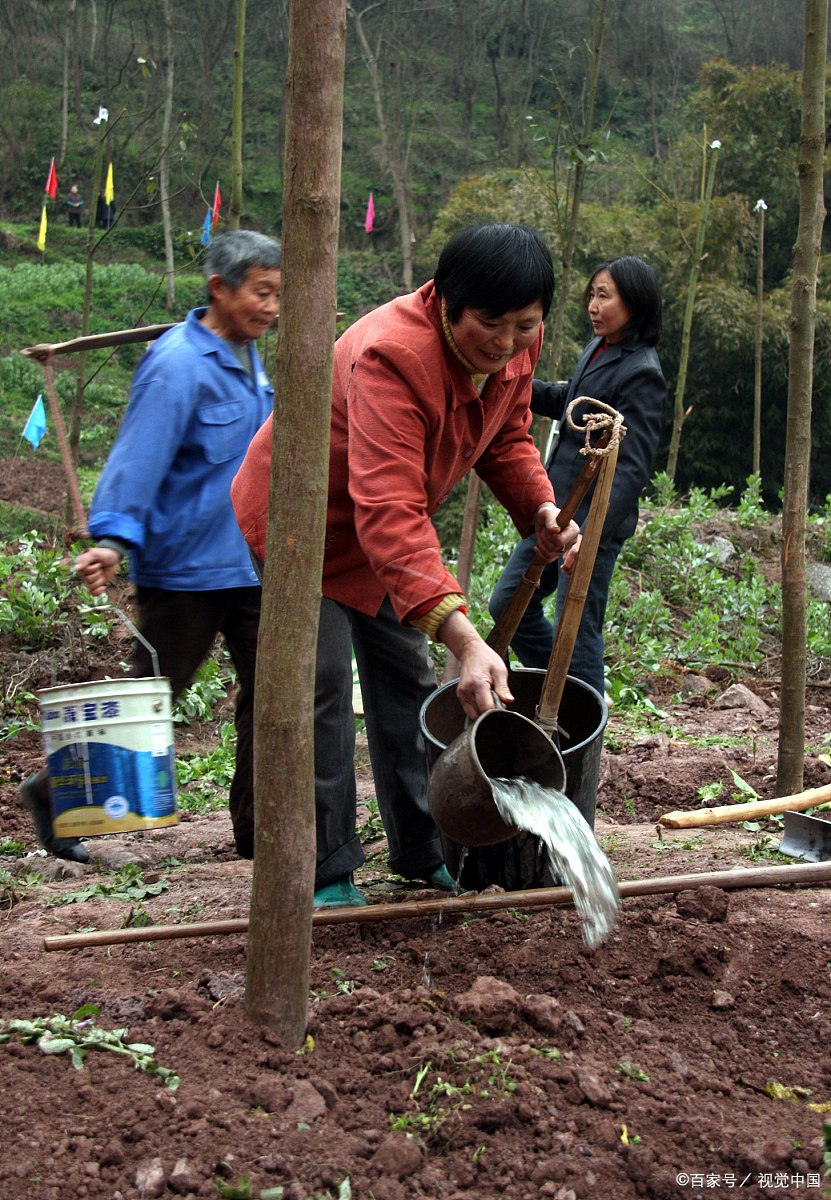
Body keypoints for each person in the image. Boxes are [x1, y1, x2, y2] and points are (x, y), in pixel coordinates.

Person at [231, 223, 580, 908]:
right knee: (321, 685)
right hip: (306, 524)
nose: (507, 342)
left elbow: (505, 436)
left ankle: (421, 850)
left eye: (525, 325)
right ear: (446, 302)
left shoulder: (515, 343)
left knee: (406, 681)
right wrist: (466, 636)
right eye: (491, 323)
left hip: (385, 539)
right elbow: (387, 507)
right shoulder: (390, 354)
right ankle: (324, 868)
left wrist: (538, 506)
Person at [21, 229, 282, 864]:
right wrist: (112, 539)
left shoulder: (250, 357)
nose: (272, 308)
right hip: (187, 567)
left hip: (250, 561)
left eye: (278, 295)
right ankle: (53, 794)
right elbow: (139, 457)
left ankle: (257, 833)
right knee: (154, 696)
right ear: (220, 289)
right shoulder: (175, 365)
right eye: (261, 293)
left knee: (272, 697)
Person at [489, 254, 666, 698]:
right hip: (555, 509)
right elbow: (574, 400)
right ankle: (572, 696)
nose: (593, 304)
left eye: (604, 296)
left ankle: (582, 726)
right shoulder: (598, 347)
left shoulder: (642, 371)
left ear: (635, 303)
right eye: (592, 294)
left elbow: (632, 465)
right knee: (510, 603)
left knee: (578, 622)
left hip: (590, 523)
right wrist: (514, 384)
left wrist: (589, 533)